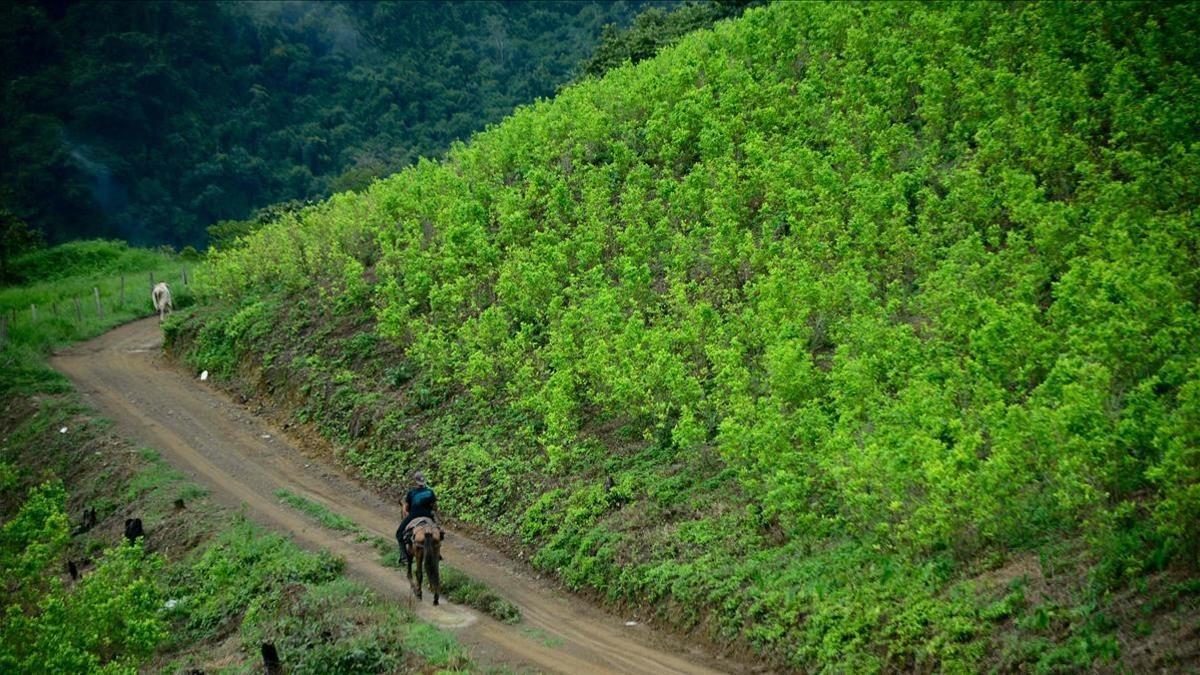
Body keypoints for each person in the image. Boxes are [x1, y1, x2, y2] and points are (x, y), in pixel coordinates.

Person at [397, 471, 438, 564]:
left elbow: (406, 508)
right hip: (428, 516)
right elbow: (435, 507)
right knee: (438, 531)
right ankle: (437, 553)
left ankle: (404, 557)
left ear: (415, 482)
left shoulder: (411, 493)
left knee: (399, 533)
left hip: (413, 515)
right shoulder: (430, 492)